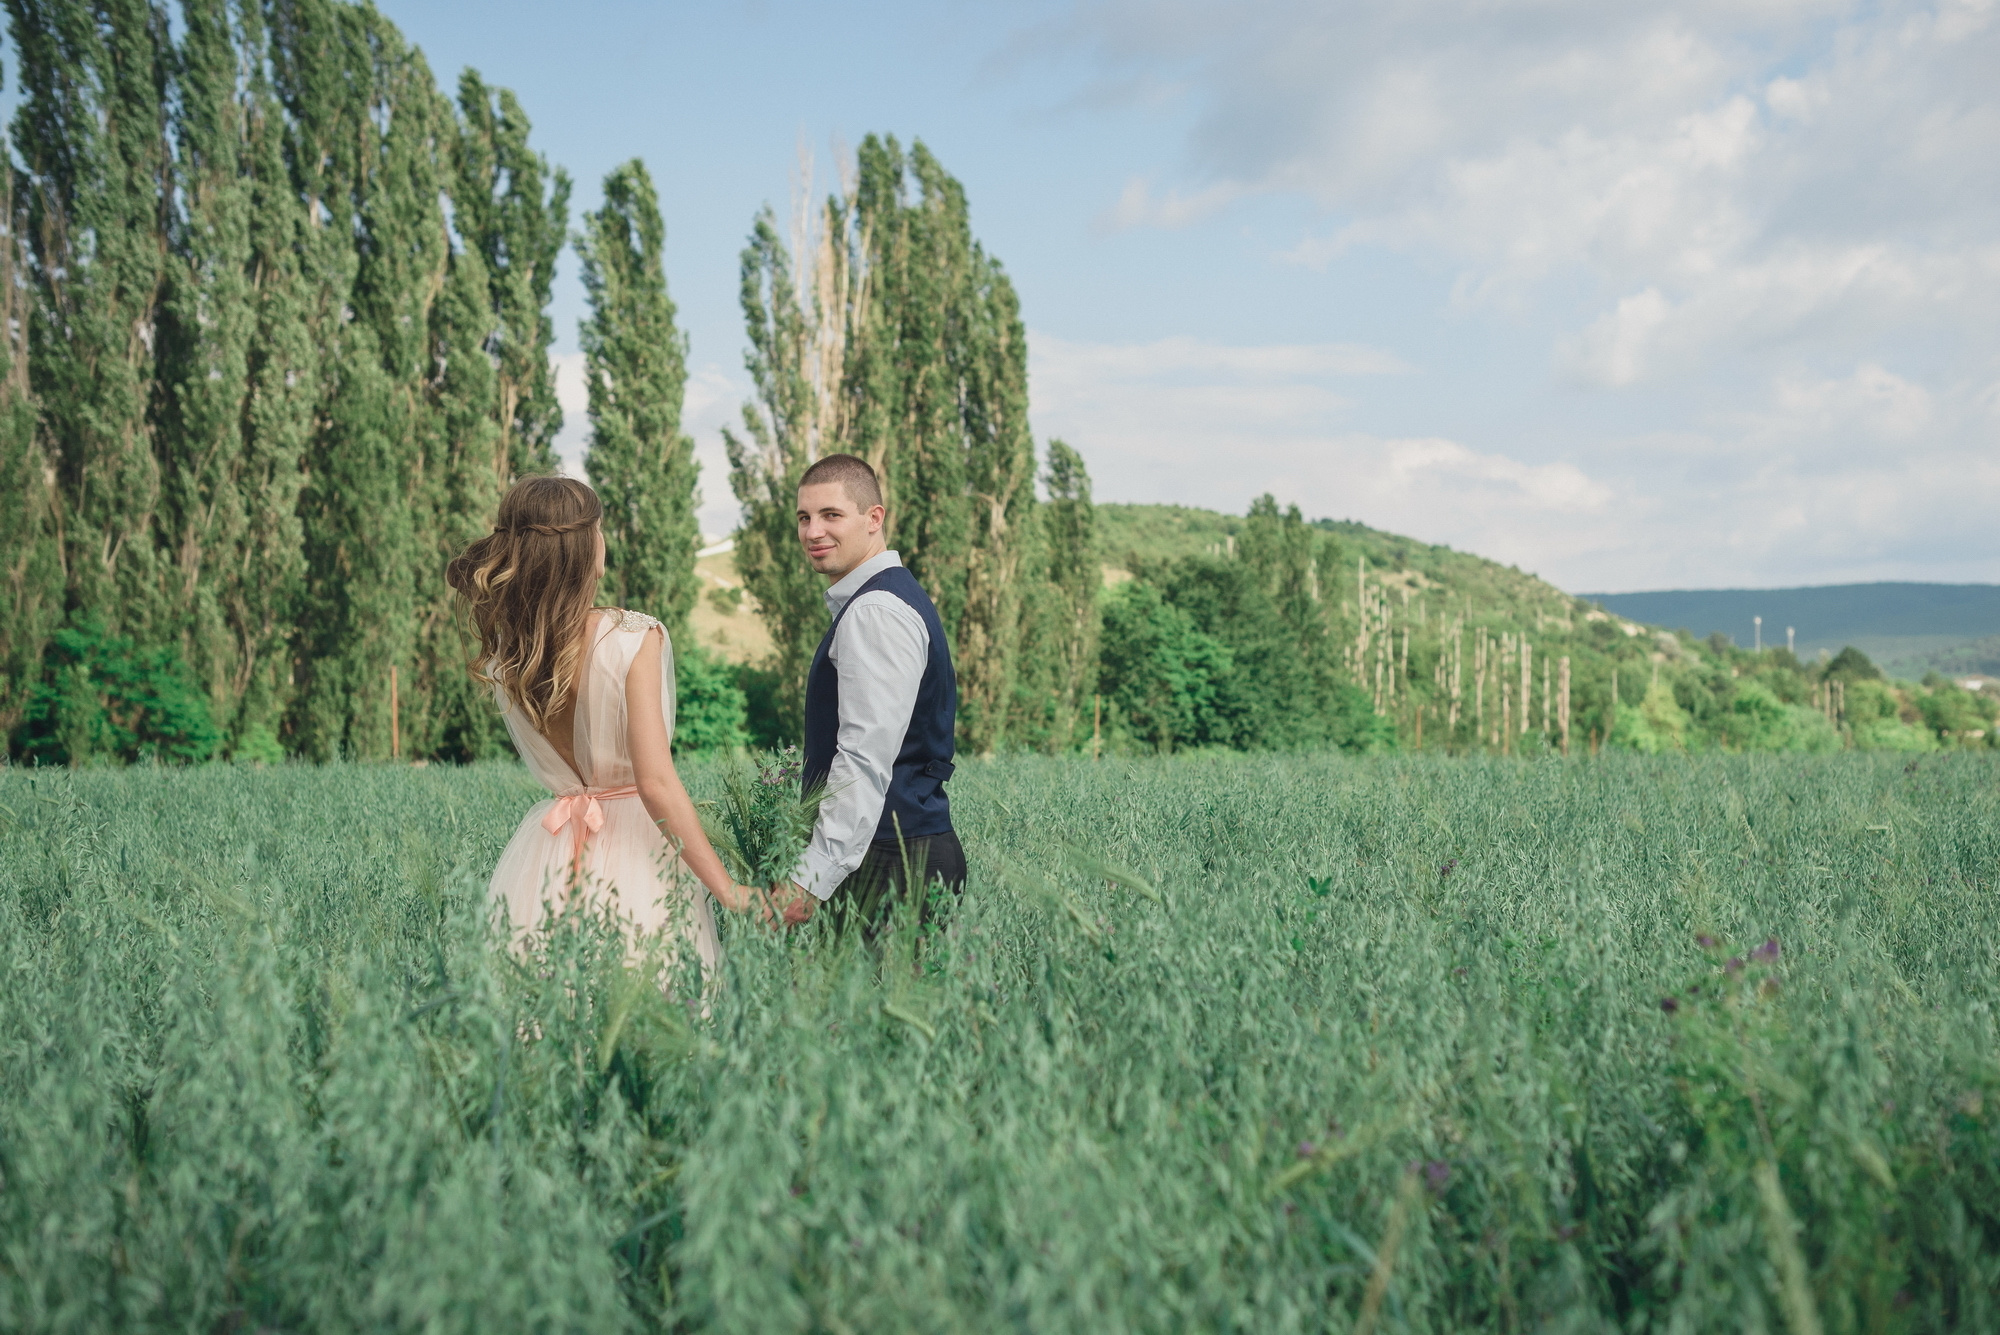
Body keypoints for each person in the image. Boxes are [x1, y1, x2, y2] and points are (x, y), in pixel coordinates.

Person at [446, 476, 756, 974]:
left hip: (548, 856)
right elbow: (656, 783)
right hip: (639, 856)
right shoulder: (633, 637)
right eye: (599, 528)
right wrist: (731, 891)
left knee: (547, 1003)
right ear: (586, 548)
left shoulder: (511, 654)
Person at [768, 454, 964, 937]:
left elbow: (863, 756)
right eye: (804, 517)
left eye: (831, 515)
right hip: (896, 853)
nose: (813, 531)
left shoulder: (875, 611)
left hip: (892, 862)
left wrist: (810, 879)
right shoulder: (883, 599)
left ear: (874, 518)